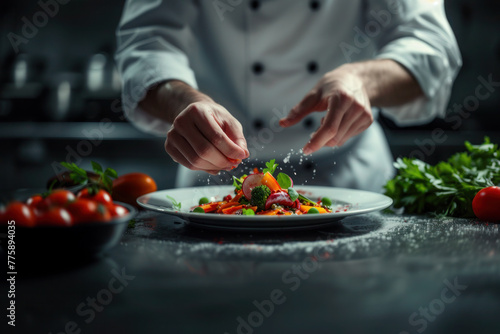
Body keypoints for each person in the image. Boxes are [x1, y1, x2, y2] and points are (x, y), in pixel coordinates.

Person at [115, 0, 461, 192]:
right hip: (213, 181)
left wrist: (362, 79)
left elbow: (430, 47)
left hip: (352, 181)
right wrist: (186, 102)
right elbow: (146, 43)